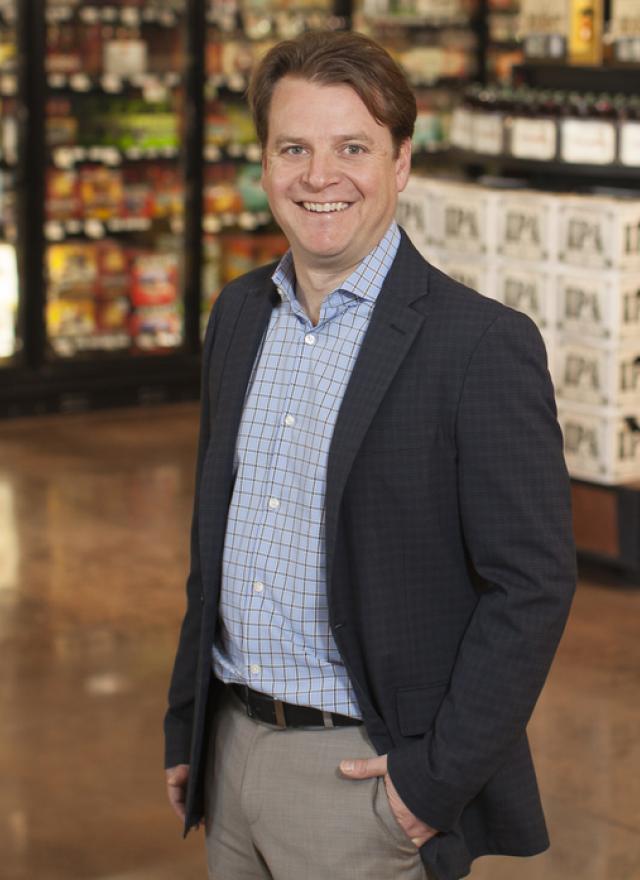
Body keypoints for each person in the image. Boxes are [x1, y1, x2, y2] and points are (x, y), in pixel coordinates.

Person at [164, 29, 576, 880]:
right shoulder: (238, 315)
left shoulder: (478, 345)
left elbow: (532, 585)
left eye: (352, 148)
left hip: (361, 776)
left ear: (402, 162)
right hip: (228, 751)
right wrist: (188, 725)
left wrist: (432, 784)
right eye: (294, 149)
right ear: (265, 164)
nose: (320, 176)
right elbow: (215, 544)